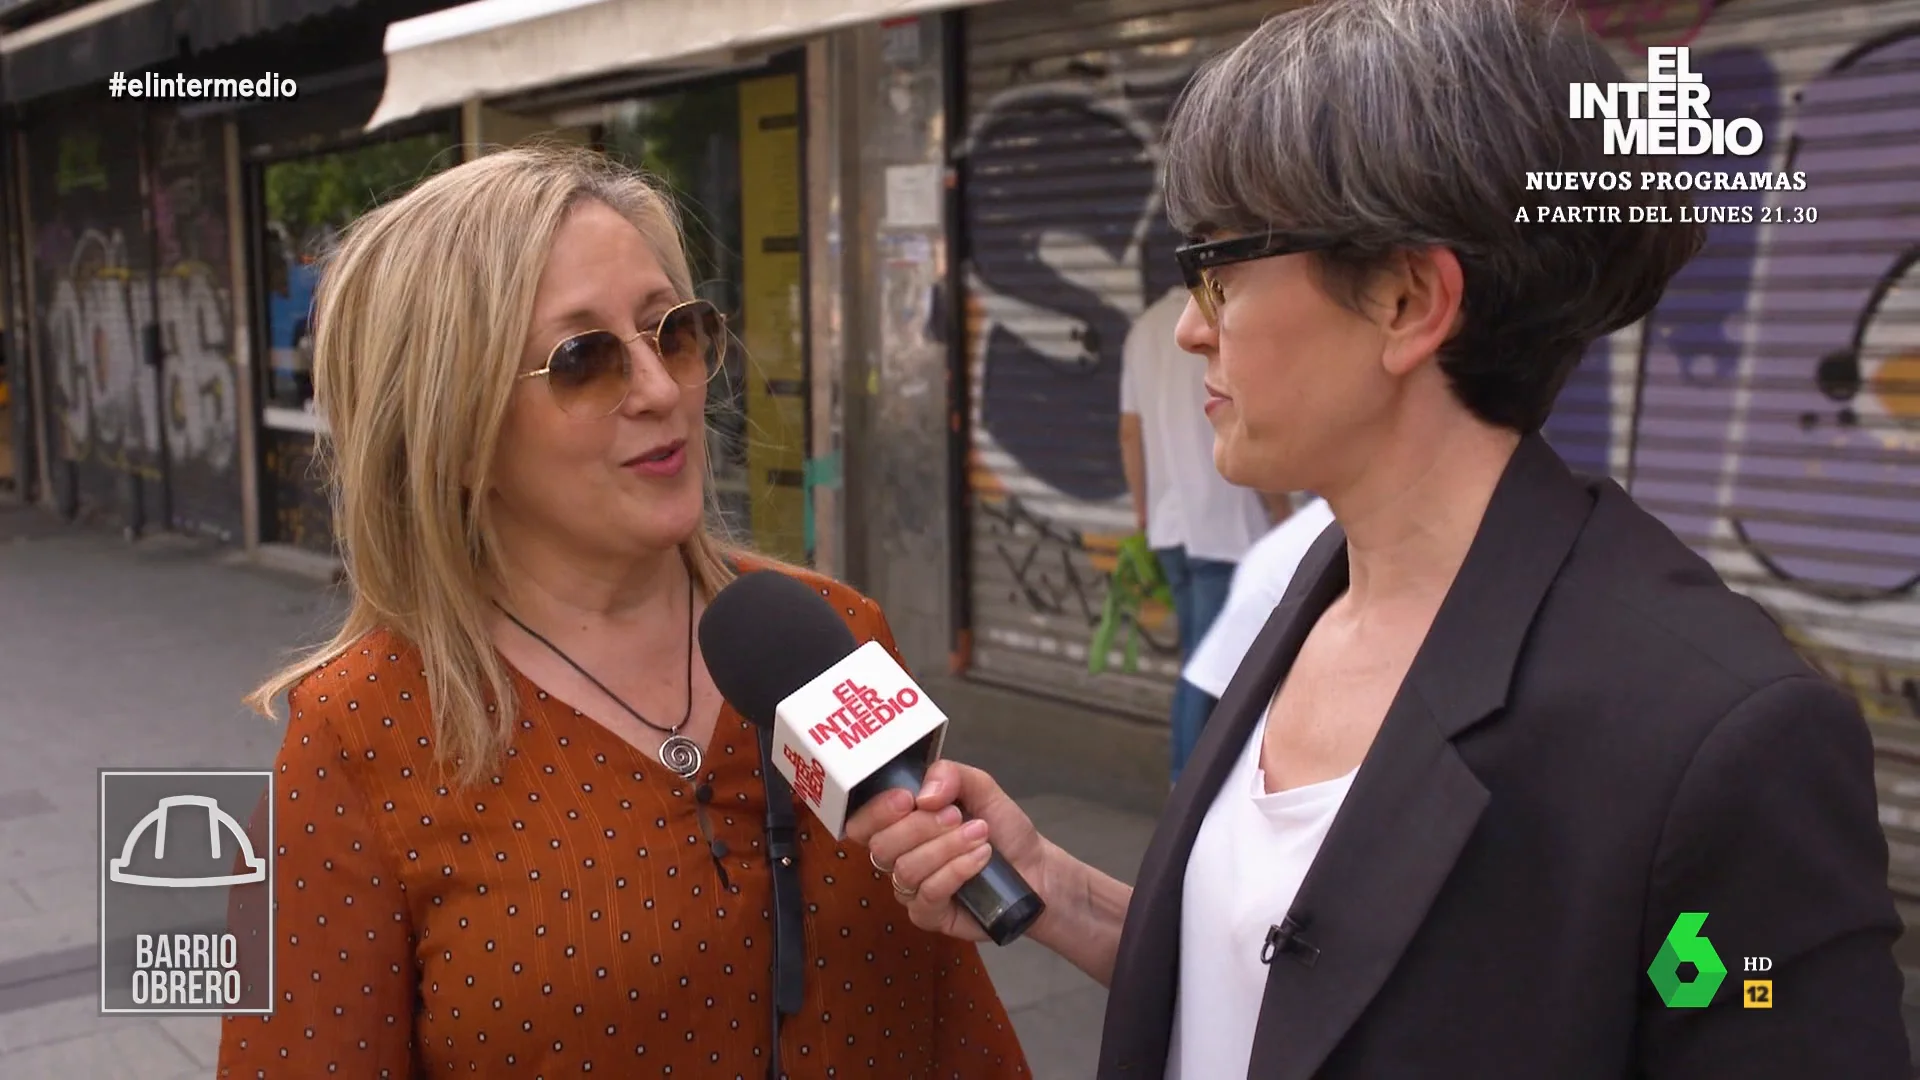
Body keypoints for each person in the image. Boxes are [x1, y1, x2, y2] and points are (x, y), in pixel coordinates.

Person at [849, 1, 1910, 1077]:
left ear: (1408, 300)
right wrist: (1058, 890)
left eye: (1219, 266)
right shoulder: (1318, 582)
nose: (1189, 325)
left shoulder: (1720, 734)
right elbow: (1295, 997)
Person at [217, 145, 1028, 1078]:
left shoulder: (824, 631)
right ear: (452, 433)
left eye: (669, 331)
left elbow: (953, 1019)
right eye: (585, 359)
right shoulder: (357, 737)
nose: (660, 390)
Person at [1119, 285, 1274, 781]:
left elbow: (1129, 428)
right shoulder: (1223, 322)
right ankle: (1189, 790)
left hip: (1170, 527)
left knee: (1197, 659)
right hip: (1225, 524)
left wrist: (1144, 514)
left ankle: (1190, 787)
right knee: (1208, 672)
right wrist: (1283, 513)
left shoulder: (1144, 327)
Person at [1180, 495, 1333, 704]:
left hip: (1185, 537)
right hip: (1225, 547)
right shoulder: (1307, 541)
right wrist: (1281, 510)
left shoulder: (1302, 534)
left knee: (1197, 656)